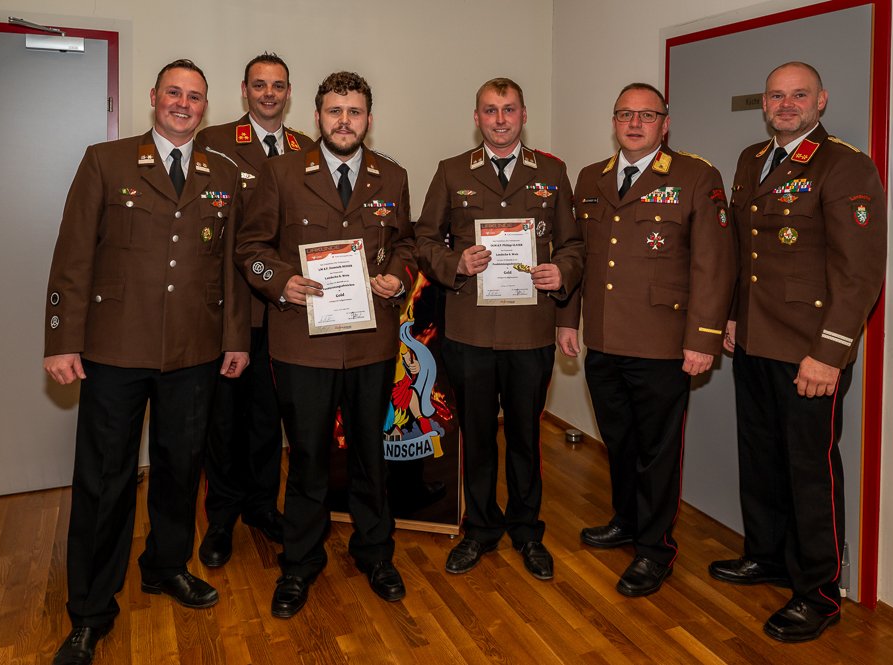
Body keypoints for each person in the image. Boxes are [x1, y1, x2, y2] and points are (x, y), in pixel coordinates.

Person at [43, 59, 249, 665]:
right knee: (105, 480)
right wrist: (61, 339)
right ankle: (90, 610)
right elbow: (72, 256)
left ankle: (166, 566)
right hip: (115, 348)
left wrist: (235, 338)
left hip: (194, 349)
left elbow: (230, 267)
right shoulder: (106, 162)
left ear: (205, 106)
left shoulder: (222, 173)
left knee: (181, 469)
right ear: (154, 96)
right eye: (174, 93)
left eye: (195, 97)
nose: (183, 104)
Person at [708, 62, 886, 642]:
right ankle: (766, 556)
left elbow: (858, 274)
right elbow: (745, 253)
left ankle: (819, 592)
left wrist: (829, 353)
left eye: (799, 95)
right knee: (760, 457)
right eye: (777, 96)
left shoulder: (844, 164)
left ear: (821, 101)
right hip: (755, 340)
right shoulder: (751, 160)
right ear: (764, 103)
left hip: (808, 350)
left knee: (811, 471)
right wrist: (732, 315)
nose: (786, 105)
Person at [235, 71, 415, 618]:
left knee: (369, 453)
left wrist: (399, 275)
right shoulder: (282, 172)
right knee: (308, 456)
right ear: (317, 116)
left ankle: (375, 552)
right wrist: (279, 281)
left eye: (354, 112)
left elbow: (406, 243)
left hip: (370, 342)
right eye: (335, 111)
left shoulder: (392, 176)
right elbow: (251, 247)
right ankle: (299, 562)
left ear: (368, 119)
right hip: (302, 344)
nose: (344, 121)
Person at [558, 83, 735, 597]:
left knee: (657, 451)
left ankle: (656, 549)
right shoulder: (592, 177)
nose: (635, 124)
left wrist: (702, 338)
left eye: (647, 115)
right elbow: (578, 255)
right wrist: (567, 320)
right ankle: (627, 520)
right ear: (614, 122)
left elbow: (714, 264)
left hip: (663, 343)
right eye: (625, 114)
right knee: (619, 441)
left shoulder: (695, 176)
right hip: (603, 338)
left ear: (666, 123)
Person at [416, 77, 583, 581]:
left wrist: (562, 272)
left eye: (509, 109)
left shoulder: (552, 172)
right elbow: (424, 240)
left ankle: (527, 530)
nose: (500, 119)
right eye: (490, 110)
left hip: (530, 331)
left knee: (527, 437)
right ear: (477, 118)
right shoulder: (451, 171)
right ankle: (481, 528)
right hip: (469, 330)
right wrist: (456, 263)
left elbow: (573, 245)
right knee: (478, 436)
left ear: (524, 114)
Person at [194, 53, 314, 568]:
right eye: (259, 85)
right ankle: (221, 518)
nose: (269, 94)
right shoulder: (214, 142)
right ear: (244, 90)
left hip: (286, 310)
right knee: (223, 421)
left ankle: (263, 506)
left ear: (289, 92)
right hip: (232, 309)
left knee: (269, 418)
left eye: (278, 85)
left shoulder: (307, 149)